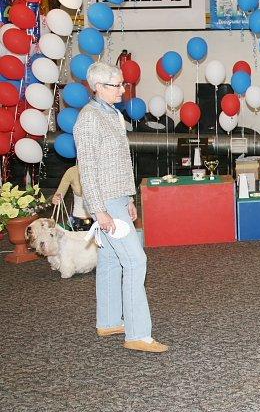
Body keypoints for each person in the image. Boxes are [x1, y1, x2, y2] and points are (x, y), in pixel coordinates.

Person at [73, 62, 168, 353]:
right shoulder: (88, 119)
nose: (122, 89)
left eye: (122, 84)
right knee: (136, 261)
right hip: (104, 202)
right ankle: (138, 334)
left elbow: (119, 162)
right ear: (97, 87)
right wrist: (99, 211)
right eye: (116, 85)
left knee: (111, 261)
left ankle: (110, 320)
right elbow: (87, 169)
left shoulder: (112, 114)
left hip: (117, 198)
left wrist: (129, 199)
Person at [52, 165, 93, 231]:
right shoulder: (72, 171)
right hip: (80, 220)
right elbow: (60, 192)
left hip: (102, 220)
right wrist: (56, 198)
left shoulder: (103, 169)